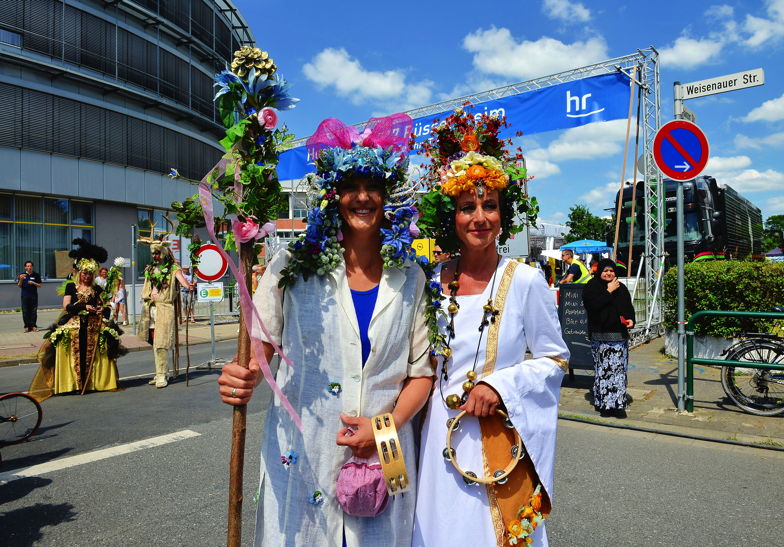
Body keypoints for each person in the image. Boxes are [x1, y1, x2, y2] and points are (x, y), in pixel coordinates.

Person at [218, 114, 433, 546]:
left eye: (373, 186)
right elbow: (262, 346)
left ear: (387, 196)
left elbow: (421, 373)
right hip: (304, 444)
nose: (362, 197)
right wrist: (244, 376)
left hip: (387, 447)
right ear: (334, 195)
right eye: (351, 186)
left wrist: (383, 429)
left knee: (380, 538)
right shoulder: (292, 266)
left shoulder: (410, 276)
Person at [412, 108, 569, 546]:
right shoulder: (432, 280)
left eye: (489, 205)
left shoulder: (525, 281)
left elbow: (556, 360)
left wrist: (499, 386)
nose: (479, 217)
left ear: (504, 213)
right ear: (452, 217)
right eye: (467, 207)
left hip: (497, 436)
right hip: (437, 441)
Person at [29, 240, 121, 401]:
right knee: (73, 353)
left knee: (96, 349)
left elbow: (106, 307)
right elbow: (67, 306)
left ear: (93, 274)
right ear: (79, 272)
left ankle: (91, 383)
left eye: (89, 274)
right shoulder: (71, 287)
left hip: (92, 326)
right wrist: (84, 308)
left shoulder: (97, 289)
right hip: (74, 325)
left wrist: (101, 310)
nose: (86, 276)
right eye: (84, 273)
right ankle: (72, 384)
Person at [581, 259, 636, 418]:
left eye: (611, 271)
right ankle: (604, 405)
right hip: (600, 337)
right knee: (603, 372)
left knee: (618, 373)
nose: (609, 273)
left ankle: (618, 405)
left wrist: (631, 319)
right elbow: (592, 306)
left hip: (619, 337)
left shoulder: (621, 287)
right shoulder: (592, 286)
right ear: (599, 271)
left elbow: (628, 308)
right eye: (605, 270)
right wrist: (608, 291)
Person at [139, 243, 191, 388]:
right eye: (153, 253)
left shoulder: (173, 269)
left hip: (165, 308)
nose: (155, 256)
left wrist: (189, 286)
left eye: (157, 253)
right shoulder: (149, 268)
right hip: (150, 308)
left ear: (163, 253)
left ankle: (162, 375)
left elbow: (184, 282)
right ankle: (160, 372)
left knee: (161, 342)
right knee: (153, 341)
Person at [18, 260, 42, 332]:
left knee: (33, 311)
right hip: (25, 295)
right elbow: (19, 285)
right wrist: (21, 279)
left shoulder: (36, 275)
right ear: (25, 267)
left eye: (30, 266)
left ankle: (33, 326)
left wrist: (33, 283)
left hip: (33, 295)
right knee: (25, 311)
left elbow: (40, 285)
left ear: (32, 267)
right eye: (28, 266)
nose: (29, 267)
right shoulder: (22, 275)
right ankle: (27, 326)